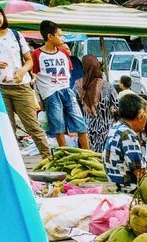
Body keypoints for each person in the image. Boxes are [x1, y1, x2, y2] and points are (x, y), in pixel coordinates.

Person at [0, 1, 51, 159]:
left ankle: (48, 158)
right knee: (6, 126)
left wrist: (22, 71)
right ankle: (10, 160)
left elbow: (29, 60)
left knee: (32, 125)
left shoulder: (16, 35)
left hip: (21, 86)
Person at [32, 21, 88, 150]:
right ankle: (64, 155)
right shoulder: (37, 54)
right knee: (58, 127)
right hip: (50, 93)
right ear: (50, 36)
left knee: (80, 125)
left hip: (66, 89)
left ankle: (88, 154)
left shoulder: (63, 53)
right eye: (59, 35)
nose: (62, 38)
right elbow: (34, 73)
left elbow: (69, 70)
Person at [102, 93, 147, 191]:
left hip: (114, 188)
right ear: (140, 116)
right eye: (146, 115)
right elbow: (140, 172)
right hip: (128, 192)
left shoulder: (116, 127)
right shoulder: (128, 135)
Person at [74, 55, 116, 152]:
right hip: (105, 131)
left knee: (88, 160)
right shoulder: (108, 87)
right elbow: (116, 107)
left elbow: (75, 109)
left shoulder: (77, 85)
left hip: (85, 131)